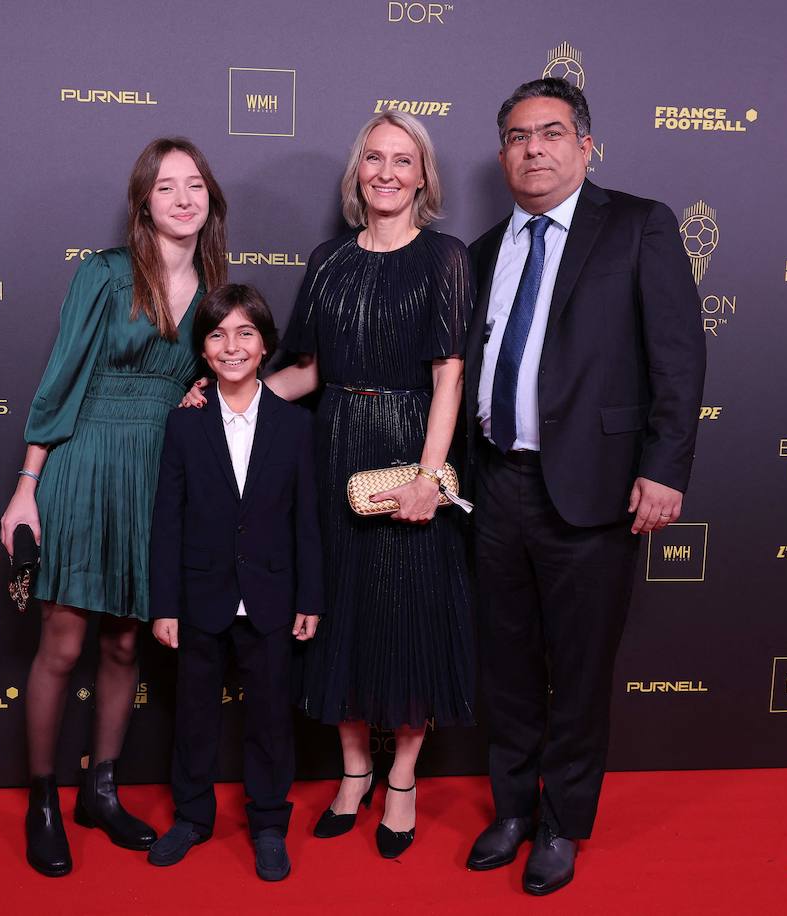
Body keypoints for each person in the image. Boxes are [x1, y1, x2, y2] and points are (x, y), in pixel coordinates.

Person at [461, 78, 705, 895]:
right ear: (502, 155)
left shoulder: (638, 225)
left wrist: (664, 468)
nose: (534, 148)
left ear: (585, 145)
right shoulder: (484, 250)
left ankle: (563, 822)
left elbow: (677, 356)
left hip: (593, 490)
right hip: (493, 485)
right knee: (507, 663)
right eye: (519, 137)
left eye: (552, 132)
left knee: (581, 666)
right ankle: (512, 810)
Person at [0, 137, 228, 877]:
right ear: (143, 203)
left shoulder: (217, 283)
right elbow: (61, 376)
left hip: (158, 475)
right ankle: (42, 800)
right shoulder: (103, 273)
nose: (183, 199)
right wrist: (27, 487)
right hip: (85, 463)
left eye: (195, 185)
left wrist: (200, 391)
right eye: (167, 188)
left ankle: (100, 789)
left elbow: (225, 373)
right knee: (63, 646)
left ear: (210, 200)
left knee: (127, 643)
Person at [274, 111, 475, 859]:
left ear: (423, 175)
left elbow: (448, 376)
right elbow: (308, 371)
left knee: (408, 615)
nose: (386, 172)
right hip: (336, 450)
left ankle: (402, 780)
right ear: (357, 171)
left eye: (403, 159)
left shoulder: (445, 257)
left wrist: (428, 476)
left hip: (410, 449)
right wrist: (228, 391)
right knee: (343, 613)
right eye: (373, 159)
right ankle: (353, 771)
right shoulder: (329, 259)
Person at [146, 284, 323, 882]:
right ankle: (193, 817)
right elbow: (166, 520)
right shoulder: (184, 425)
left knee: (271, 718)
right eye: (218, 334)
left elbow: (308, 519)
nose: (232, 345)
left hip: (272, 596)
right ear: (202, 350)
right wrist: (164, 603)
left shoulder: (296, 427)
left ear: (267, 344)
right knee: (194, 714)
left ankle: (269, 823)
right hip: (200, 596)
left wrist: (310, 597)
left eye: (245, 333)